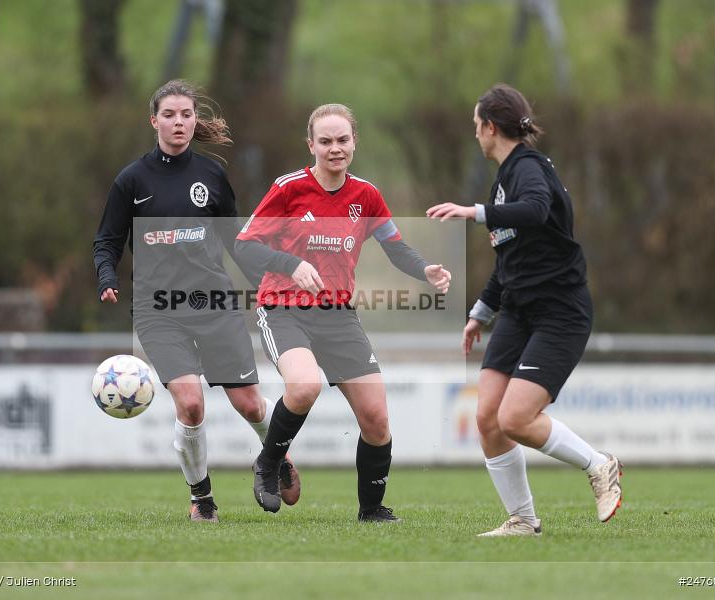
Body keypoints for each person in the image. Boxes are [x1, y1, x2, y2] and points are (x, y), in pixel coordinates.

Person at [92, 80, 300, 523]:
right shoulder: (132, 180)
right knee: (190, 403)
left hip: (215, 304)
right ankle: (202, 498)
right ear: (154, 121)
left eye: (186, 114)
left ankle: (275, 457)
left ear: (194, 120)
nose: (179, 122)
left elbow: (235, 242)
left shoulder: (212, 175)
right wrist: (107, 275)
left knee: (251, 405)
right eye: (170, 114)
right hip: (158, 310)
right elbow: (107, 240)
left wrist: (267, 288)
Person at [235, 103, 451, 522]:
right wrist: (291, 265)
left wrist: (424, 269)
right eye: (326, 141)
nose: (335, 148)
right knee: (304, 388)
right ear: (311, 145)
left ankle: (371, 510)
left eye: (343, 140)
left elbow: (395, 247)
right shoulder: (288, 189)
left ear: (354, 142)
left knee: (376, 419)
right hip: (284, 309)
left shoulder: (366, 195)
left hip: (338, 315)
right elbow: (245, 245)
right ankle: (268, 464)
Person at [426, 83, 622, 536]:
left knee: (515, 419)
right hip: (517, 311)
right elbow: (509, 260)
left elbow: (534, 210)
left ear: (490, 127)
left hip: (559, 311)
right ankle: (523, 520)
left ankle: (600, 465)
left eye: (477, 127)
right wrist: (480, 312)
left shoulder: (528, 168)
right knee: (487, 418)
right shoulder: (504, 180)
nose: (476, 135)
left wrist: (472, 212)